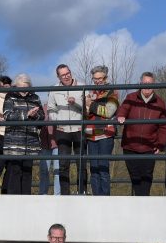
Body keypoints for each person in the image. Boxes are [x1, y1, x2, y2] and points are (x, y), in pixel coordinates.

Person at [116, 71, 166, 196]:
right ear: (140, 83)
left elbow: (164, 126)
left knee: (147, 175)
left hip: (149, 146)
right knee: (134, 175)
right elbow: (123, 110)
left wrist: (160, 144)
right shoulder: (131, 97)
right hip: (130, 145)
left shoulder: (160, 103)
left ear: (154, 85)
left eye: (150, 83)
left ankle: (143, 201)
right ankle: (140, 201)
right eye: (144, 83)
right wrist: (121, 116)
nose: (147, 86)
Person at [2, 73, 45, 195]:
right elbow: (7, 115)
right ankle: (14, 200)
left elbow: (42, 116)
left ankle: (26, 199)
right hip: (14, 141)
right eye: (21, 88)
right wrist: (26, 115)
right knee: (15, 171)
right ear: (16, 86)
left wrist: (35, 115)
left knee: (27, 171)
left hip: (31, 141)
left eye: (26, 87)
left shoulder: (35, 97)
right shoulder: (10, 96)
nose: (24, 91)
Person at [47, 64, 85, 195]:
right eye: (63, 75)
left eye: (68, 73)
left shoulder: (82, 86)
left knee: (81, 163)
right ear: (59, 77)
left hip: (79, 129)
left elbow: (87, 108)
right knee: (63, 164)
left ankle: (82, 192)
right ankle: (65, 195)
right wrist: (59, 120)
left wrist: (76, 102)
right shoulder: (54, 90)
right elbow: (51, 109)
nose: (67, 76)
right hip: (62, 130)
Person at [84, 65, 120, 196]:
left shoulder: (112, 92)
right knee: (93, 169)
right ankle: (95, 198)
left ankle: (105, 199)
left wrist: (91, 105)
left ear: (106, 77)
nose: (97, 81)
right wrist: (85, 106)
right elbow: (85, 113)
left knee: (103, 169)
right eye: (95, 79)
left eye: (100, 78)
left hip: (105, 134)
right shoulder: (90, 92)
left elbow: (109, 112)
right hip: (90, 134)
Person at [38, 104, 60, 195]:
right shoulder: (43, 107)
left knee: (57, 171)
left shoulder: (60, 107)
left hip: (57, 143)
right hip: (44, 144)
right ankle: (43, 194)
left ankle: (57, 195)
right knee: (44, 170)